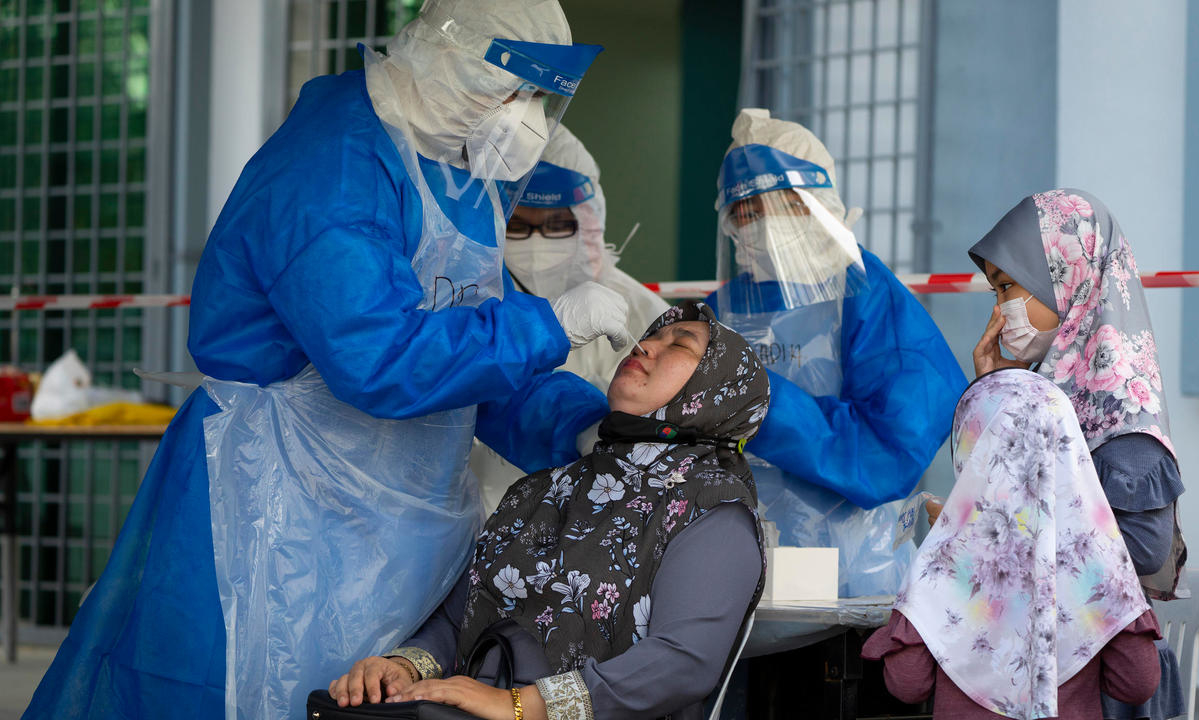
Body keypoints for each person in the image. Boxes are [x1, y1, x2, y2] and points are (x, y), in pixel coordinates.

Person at [23, 2, 627, 719]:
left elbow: (469, 371)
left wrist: (584, 429)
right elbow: (377, 358)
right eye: (512, 90)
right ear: (446, 59)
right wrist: (547, 323)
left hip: (395, 525)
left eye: (539, 98)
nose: (523, 118)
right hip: (271, 508)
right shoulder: (331, 165)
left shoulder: (457, 173)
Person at [328, 301, 769, 720]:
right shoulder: (546, 488)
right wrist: (405, 666)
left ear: (719, 390)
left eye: (680, 343)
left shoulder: (713, 509)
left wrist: (518, 706)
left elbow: (682, 662)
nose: (645, 344)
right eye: (651, 333)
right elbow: (461, 615)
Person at [707, 108, 966, 596]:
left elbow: (892, 450)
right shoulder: (720, 311)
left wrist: (756, 401)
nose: (748, 227)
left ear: (810, 203)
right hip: (730, 573)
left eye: (764, 208)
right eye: (739, 213)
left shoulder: (864, 295)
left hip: (849, 578)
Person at [967, 189, 1187, 720]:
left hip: (1113, 684)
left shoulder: (1121, 420)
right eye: (994, 293)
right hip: (1053, 664)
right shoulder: (1048, 395)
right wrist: (999, 393)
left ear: (1069, 277)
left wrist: (1004, 525)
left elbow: (1137, 555)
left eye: (1008, 288)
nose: (1000, 312)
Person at [862, 368, 1163, 720]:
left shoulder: (950, 562)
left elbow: (907, 682)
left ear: (974, 453)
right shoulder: (1096, 557)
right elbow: (1138, 682)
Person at [472, 125, 669, 510]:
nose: (537, 242)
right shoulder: (470, 297)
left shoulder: (644, 312)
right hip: (486, 511)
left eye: (557, 225)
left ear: (588, 221)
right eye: (519, 226)